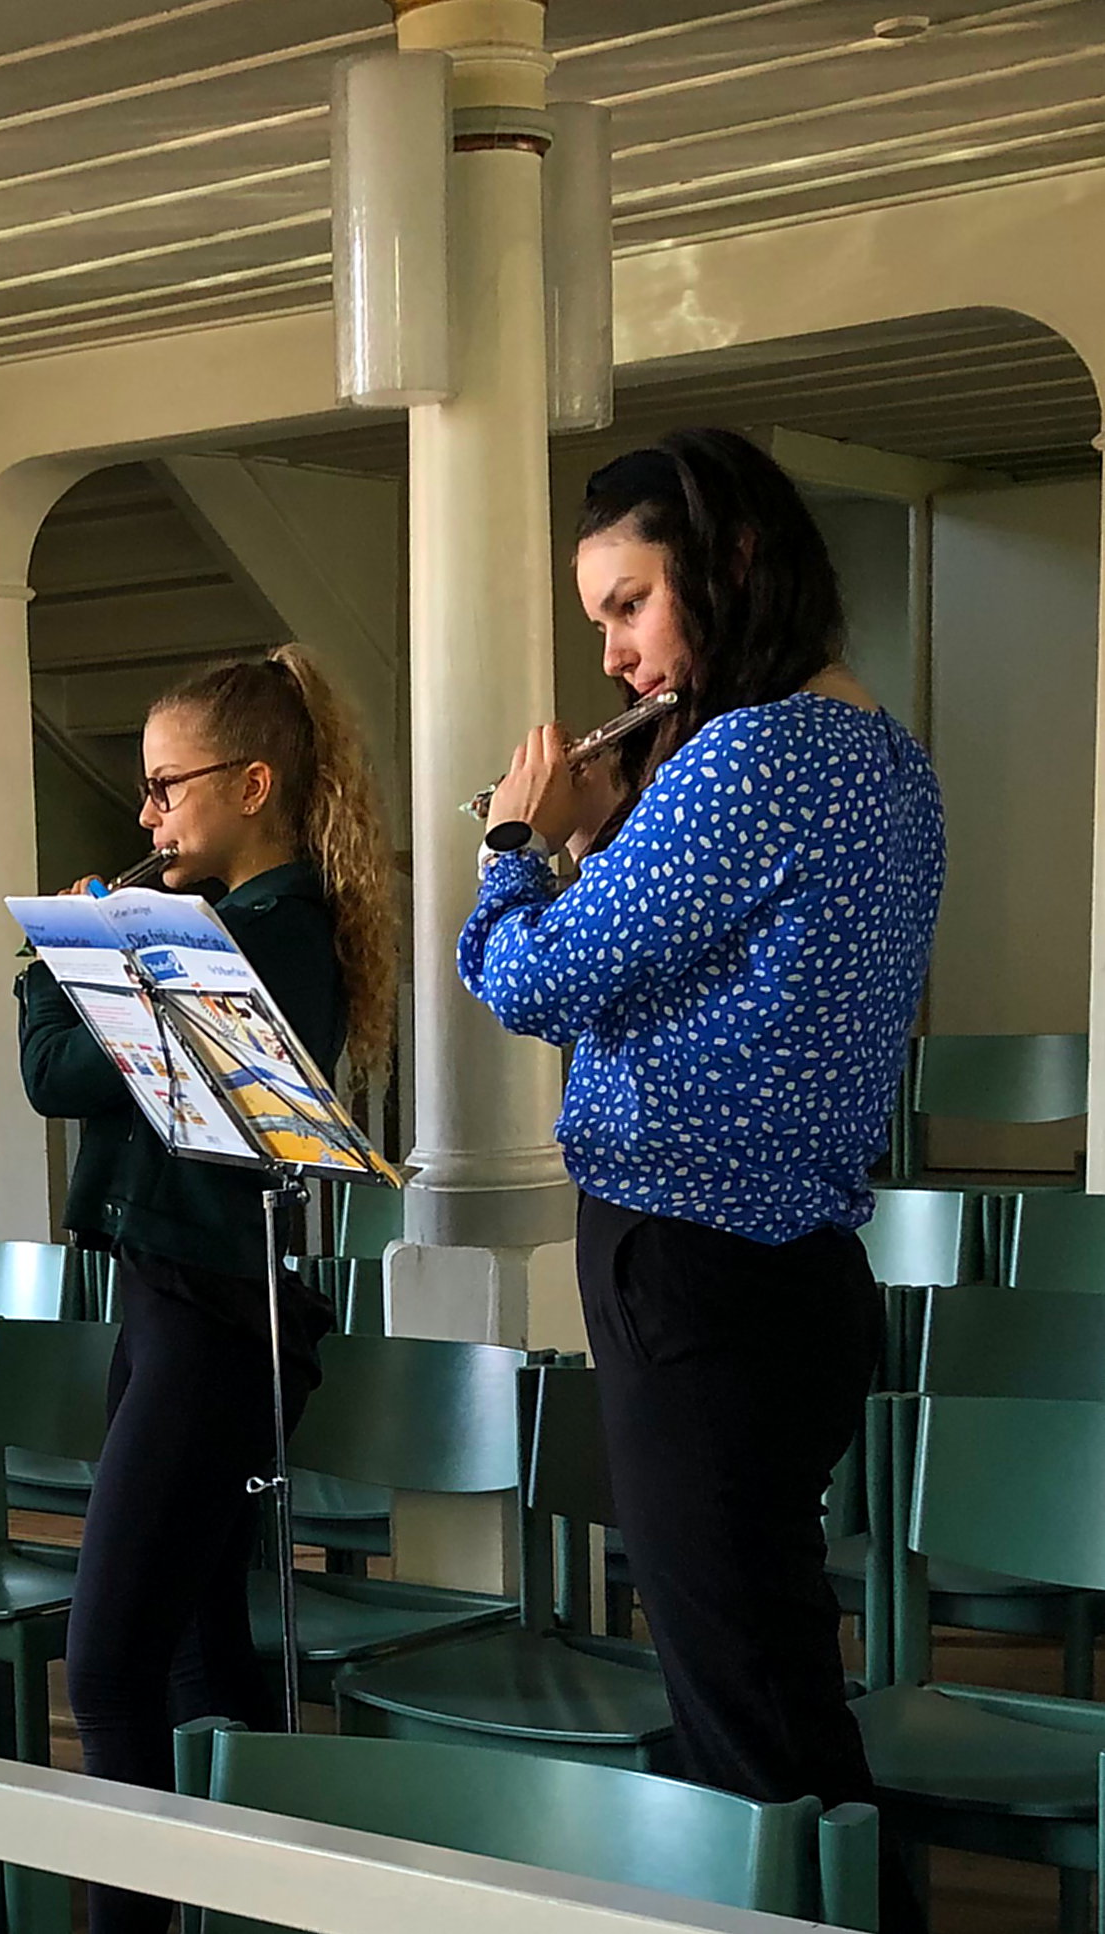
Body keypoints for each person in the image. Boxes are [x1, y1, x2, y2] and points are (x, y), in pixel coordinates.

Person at [460, 430, 942, 1855]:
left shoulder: (744, 759)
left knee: (753, 1726)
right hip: (789, 1277)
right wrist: (616, 843)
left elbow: (529, 978)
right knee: (771, 1682)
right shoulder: (881, 753)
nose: (609, 654)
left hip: (696, 1277)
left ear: (730, 567)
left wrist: (515, 844)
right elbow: (716, 984)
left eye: (627, 604)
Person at [16, 644, 397, 1934]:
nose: (147, 814)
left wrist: (47, 967)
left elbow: (60, 1077)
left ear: (252, 783)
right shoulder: (213, 929)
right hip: (171, 1306)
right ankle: (230, 1905)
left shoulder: (264, 939)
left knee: (108, 1657)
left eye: (166, 786)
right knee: (190, 1643)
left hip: (217, 1323)